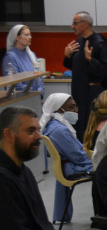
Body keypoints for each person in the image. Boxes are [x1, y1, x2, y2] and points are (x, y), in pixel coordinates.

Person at [39, 93, 92, 223]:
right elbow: (78, 156)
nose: (76, 111)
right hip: (74, 167)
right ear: (59, 109)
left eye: (76, 107)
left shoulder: (53, 125)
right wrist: (97, 160)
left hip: (67, 164)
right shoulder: (59, 130)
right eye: (71, 107)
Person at [63, 11, 107, 141]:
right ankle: (82, 150)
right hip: (79, 92)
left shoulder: (99, 43)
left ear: (85, 24)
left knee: (92, 126)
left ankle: (92, 151)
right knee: (80, 126)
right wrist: (67, 56)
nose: (72, 26)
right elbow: (77, 67)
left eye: (75, 23)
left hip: (92, 93)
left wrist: (91, 60)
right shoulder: (79, 41)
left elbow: (106, 68)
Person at [2, 24, 43, 95]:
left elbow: (39, 76)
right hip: (22, 97)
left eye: (30, 35)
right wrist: (32, 92)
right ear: (17, 38)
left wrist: (40, 92)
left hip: (35, 96)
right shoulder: (10, 57)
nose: (30, 37)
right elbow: (15, 84)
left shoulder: (31, 55)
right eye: (26, 35)